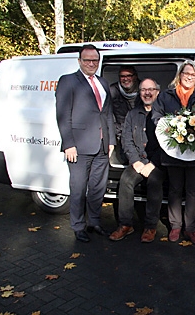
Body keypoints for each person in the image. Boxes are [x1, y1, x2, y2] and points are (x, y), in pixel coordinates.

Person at [152, 60, 195, 245]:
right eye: (185, 73)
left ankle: (190, 229)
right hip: (173, 151)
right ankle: (175, 226)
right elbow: (156, 116)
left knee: (192, 191)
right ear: (179, 74)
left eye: (193, 74)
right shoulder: (166, 96)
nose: (189, 77)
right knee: (174, 190)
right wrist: (170, 128)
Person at [56, 44, 115, 243]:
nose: (91, 63)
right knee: (79, 188)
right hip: (79, 146)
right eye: (87, 60)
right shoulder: (68, 81)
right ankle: (78, 226)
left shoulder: (103, 83)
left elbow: (107, 114)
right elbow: (63, 115)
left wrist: (111, 141)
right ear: (79, 61)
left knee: (98, 188)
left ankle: (94, 222)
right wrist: (68, 144)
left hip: (101, 145)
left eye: (95, 60)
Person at [108, 78, 166, 243]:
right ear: (139, 93)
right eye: (143, 90)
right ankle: (125, 225)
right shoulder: (132, 114)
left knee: (154, 182)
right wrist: (135, 161)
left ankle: (150, 226)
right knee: (126, 181)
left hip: (157, 162)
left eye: (151, 89)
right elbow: (126, 140)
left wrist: (152, 164)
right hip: (138, 161)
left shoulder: (165, 115)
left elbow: (168, 144)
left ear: (157, 92)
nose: (147, 93)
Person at [110, 66, 140, 164]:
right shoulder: (112, 91)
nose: (125, 79)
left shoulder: (144, 89)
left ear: (135, 77)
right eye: (122, 76)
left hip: (141, 134)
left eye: (128, 76)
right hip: (122, 134)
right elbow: (105, 114)